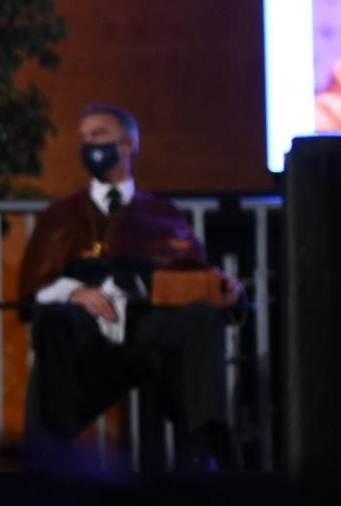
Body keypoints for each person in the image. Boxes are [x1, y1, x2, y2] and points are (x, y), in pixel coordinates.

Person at [19, 103, 238, 470]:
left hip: (146, 320)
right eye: (85, 138)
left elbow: (192, 271)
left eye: (100, 135)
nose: (91, 145)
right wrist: (73, 292)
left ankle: (205, 446)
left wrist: (222, 289)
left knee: (201, 319)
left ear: (127, 145)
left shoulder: (163, 214)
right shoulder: (61, 215)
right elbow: (36, 284)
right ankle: (51, 449)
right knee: (54, 321)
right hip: (85, 324)